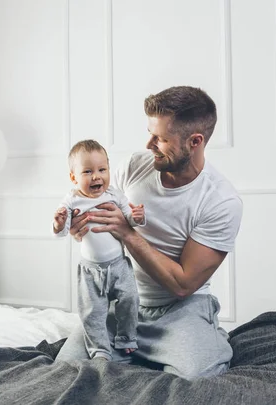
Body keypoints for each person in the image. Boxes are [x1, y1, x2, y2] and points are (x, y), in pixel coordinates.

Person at [55, 86, 243, 380]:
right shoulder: (133, 166)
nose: (149, 143)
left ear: (195, 141)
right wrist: (81, 230)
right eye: (150, 133)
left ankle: (207, 333)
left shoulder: (220, 201)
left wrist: (128, 233)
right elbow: (99, 226)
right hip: (125, 304)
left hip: (180, 309)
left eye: (161, 138)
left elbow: (183, 284)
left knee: (201, 378)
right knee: (66, 371)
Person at [53, 140, 146, 361]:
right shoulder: (72, 200)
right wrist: (58, 223)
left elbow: (129, 219)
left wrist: (138, 217)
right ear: (74, 178)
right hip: (90, 271)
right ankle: (99, 349)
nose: (97, 176)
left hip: (119, 264)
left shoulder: (114, 195)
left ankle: (127, 337)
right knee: (92, 312)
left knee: (130, 298)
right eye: (88, 171)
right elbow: (62, 231)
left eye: (102, 170)